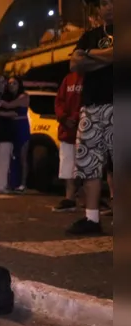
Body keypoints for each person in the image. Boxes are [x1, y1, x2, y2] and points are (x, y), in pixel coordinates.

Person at [67, 0, 113, 234]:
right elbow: (75, 63)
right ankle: (92, 219)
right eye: (104, 2)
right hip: (92, 106)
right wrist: (106, 57)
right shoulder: (90, 34)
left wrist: (90, 57)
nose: (109, 6)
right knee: (89, 164)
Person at [52, 71, 84, 212]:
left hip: (83, 129)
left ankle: (87, 200)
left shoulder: (90, 77)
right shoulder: (68, 79)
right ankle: (69, 198)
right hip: (66, 130)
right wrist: (64, 117)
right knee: (67, 166)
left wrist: (76, 117)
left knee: (84, 168)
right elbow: (59, 100)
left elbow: (88, 101)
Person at [0, 77, 30, 192]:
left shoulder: (24, 96)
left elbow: (9, 106)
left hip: (22, 127)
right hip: (12, 128)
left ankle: (23, 183)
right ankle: (12, 182)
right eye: (10, 83)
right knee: (12, 156)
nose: (12, 85)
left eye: (14, 83)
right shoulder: (10, 97)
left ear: (19, 84)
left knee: (22, 156)